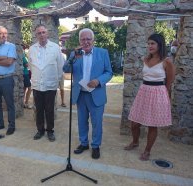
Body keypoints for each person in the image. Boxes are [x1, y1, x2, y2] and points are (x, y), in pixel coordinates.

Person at [124, 33, 175, 161]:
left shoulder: (167, 62)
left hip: (158, 94)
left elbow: (169, 82)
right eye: (148, 43)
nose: (150, 46)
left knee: (152, 125)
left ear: (159, 45)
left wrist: (166, 98)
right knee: (134, 122)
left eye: (153, 43)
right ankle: (135, 142)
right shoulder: (145, 60)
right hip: (144, 92)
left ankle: (147, 151)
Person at [63, 28, 113, 159]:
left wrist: (98, 80)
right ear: (79, 40)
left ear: (93, 40)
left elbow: (109, 72)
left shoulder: (102, 53)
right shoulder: (76, 54)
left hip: (96, 94)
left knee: (96, 122)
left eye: (88, 39)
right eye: (83, 39)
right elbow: (66, 69)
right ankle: (84, 143)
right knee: (81, 121)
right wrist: (72, 58)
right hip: (80, 94)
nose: (86, 41)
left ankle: (95, 146)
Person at [28, 24, 64, 142]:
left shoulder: (55, 48)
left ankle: (50, 131)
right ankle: (40, 130)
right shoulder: (32, 49)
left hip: (50, 85)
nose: (42, 35)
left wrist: (56, 80)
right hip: (37, 85)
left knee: (49, 109)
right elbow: (31, 66)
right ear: (36, 35)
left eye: (43, 32)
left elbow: (60, 66)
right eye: (39, 33)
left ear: (47, 33)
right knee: (38, 109)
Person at [22, 44, 32, 109]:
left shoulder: (22, 54)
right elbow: (26, 65)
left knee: (24, 88)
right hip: (25, 73)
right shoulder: (22, 55)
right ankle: (26, 103)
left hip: (25, 73)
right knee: (29, 88)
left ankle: (23, 103)